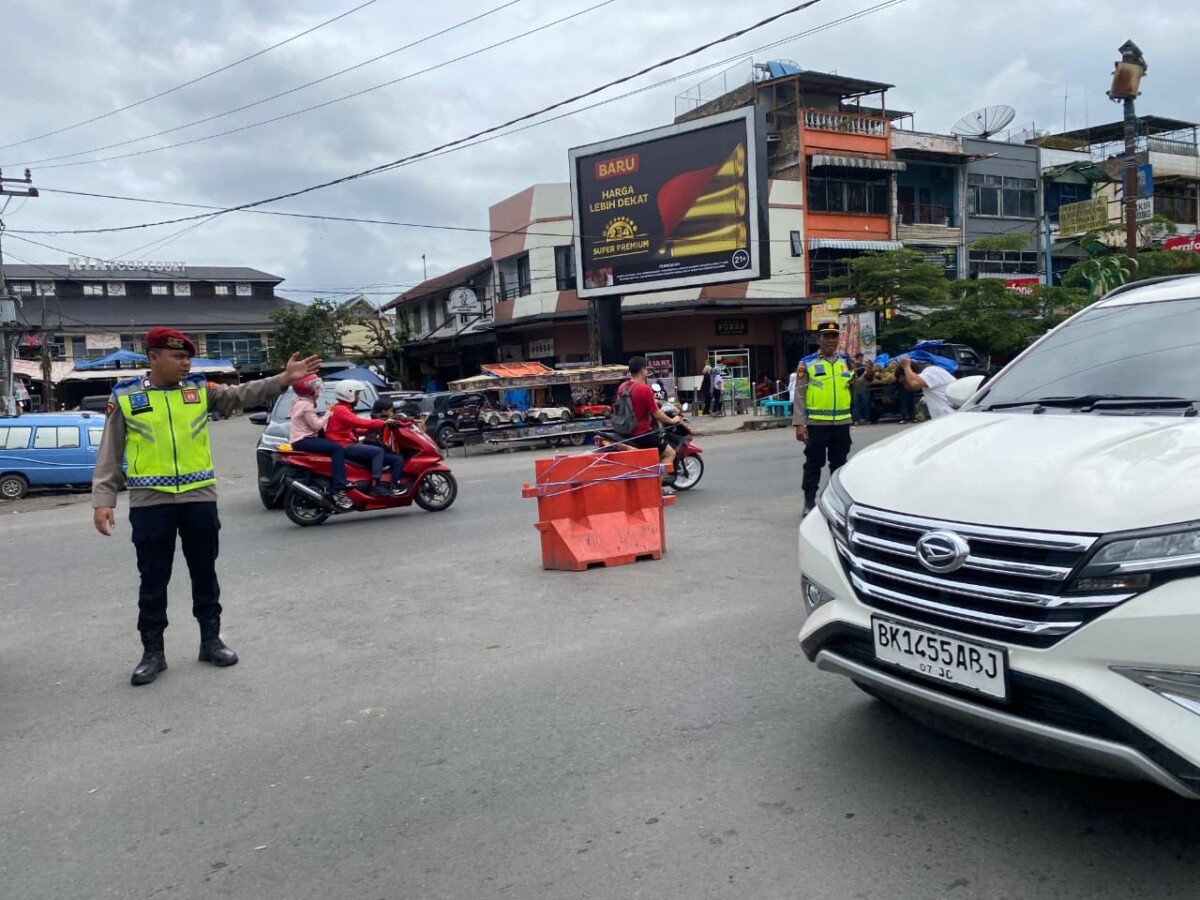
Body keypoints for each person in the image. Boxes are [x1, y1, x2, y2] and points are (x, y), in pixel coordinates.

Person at [91, 327, 320, 686]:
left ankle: (210, 641)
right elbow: (110, 452)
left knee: (204, 573)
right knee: (153, 579)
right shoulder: (125, 397)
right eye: (178, 357)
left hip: (199, 499)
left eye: (188, 358)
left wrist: (283, 379)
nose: (186, 363)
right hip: (150, 503)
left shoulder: (198, 391)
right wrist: (103, 499)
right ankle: (153, 652)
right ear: (153, 357)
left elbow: (242, 394)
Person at [792, 322, 853, 515]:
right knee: (813, 464)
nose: (830, 341)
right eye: (826, 337)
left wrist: (867, 377)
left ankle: (836, 502)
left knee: (840, 464)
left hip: (842, 423)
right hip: (816, 424)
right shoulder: (807, 362)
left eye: (834, 336)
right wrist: (799, 423)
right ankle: (809, 502)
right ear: (819, 339)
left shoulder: (846, 361)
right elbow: (799, 394)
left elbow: (853, 388)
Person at [323, 380, 405, 496]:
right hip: (344, 445)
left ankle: (390, 483)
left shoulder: (343, 408)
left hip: (348, 443)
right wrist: (382, 423)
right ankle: (376, 486)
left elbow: (353, 428)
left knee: (394, 458)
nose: (358, 397)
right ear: (348, 393)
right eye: (357, 394)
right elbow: (359, 422)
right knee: (378, 451)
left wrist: (369, 430)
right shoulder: (340, 409)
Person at [617, 356, 683, 493]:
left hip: (624, 431)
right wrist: (672, 421)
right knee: (670, 453)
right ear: (643, 370)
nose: (647, 371)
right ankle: (655, 490)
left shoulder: (622, 387)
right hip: (641, 433)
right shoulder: (644, 389)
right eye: (646, 368)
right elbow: (657, 414)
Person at [288, 375, 352, 510]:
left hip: (300, 439)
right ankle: (339, 486)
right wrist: (329, 412)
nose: (319, 390)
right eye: (316, 388)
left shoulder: (298, 401)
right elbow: (316, 426)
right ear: (309, 390)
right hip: (304, 440)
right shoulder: (306, 406)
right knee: (337, 449)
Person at [851, 358, 875, 426]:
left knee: (866, 405)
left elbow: (868, 375)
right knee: (856, 406)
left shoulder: (867, 370)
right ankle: (856, 420)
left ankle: (867, 420)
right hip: (856, 389)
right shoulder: (856, 368)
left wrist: (868, 367)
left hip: (864, 389)